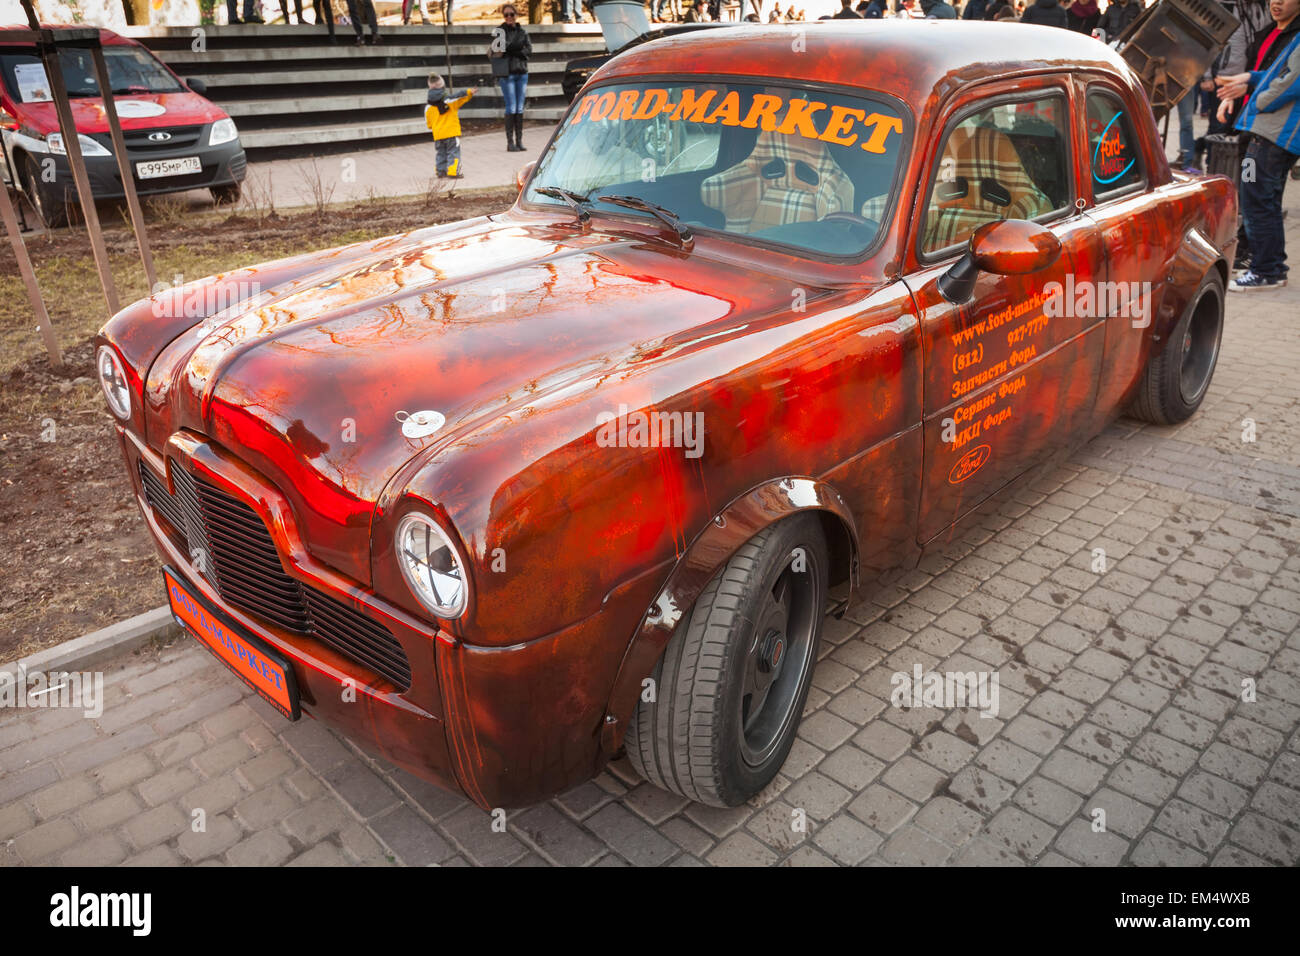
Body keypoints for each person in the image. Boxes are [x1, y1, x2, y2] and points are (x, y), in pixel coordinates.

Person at [1217, 1, 1300, 288]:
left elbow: (1290, 82)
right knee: (1263, 200)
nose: (1276, 2)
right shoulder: (1285, 34)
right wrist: (1249, 78)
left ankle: (1265, 270)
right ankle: (1271, 267)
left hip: (1272, 136)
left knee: (1256, 199)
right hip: (1269, 135)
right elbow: (1276, 75)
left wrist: (1257, 102)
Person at [491, 4, 532, 152]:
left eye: (511, 14)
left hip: (521, 72)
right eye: (506, 15)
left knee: (520, 108)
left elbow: (529, 51)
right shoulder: (499, 31)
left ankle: (519, 141)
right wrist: (517, 48)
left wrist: (513, 49)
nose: (509, 17)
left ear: (516, 15)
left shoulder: (523, 32)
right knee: (511, 106)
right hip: (507, 73)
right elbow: (497, 50)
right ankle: (510, 142)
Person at [426, 74, 473, 178]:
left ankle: (440, 171)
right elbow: (460, 97)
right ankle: (452, 171)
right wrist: (469, 92)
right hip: (451, 133)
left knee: (441, 153)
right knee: (453, 152)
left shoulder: (428, 106)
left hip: (438, 135)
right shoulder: (450, 101)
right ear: (442, 86)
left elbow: (429, 124)